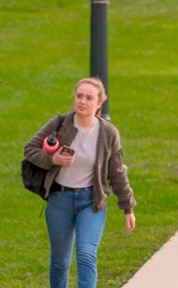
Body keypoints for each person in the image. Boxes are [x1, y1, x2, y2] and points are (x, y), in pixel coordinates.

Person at [24, 78, 137, 288]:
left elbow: (117, 171)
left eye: (89, 98)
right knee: (60, 262)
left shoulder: (108, 133)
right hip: (60, 200)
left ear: (99, 103)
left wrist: (127, 206)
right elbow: (29, 149)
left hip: (91, 201)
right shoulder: (60, 124)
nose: (82, 101)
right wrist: (52, 159)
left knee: (86, 255)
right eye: (79, 96)